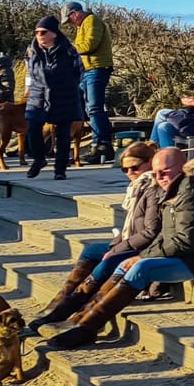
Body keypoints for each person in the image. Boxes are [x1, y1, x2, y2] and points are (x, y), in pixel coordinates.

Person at [47, 148, 194, 349]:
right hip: (187, 254)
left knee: (140, 268)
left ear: (183, 166)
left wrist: (143, 256)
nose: (159, 177)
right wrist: (139, 256)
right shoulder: (177, 187)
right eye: (155, 172)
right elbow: (166, 235)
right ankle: (80, 319)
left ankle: (87, 328)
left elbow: (186, 241)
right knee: (126, 264)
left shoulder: (193, 191)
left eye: (165, 170)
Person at [27, 142, 163, 333]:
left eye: (135, 167)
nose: (130, 173)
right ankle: (59, 303)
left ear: (150, 163)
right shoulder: (136, 187)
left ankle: (79, 314)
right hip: (129, 242)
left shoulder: (154, 187)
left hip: (147, 247)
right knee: (91, 251)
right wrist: (116, 245)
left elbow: (150, 232)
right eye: (125, 169)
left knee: (107, 263)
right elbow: (130, 228)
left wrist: (116, 249)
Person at [25, 14, 87, 180]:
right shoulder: (31, 51)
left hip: (64, 94)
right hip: (38, 93)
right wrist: (29, 89)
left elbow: (79, 71)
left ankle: (60, 169)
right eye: (37, 32)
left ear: (54, 33)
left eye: (43, 32)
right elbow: (29, 72)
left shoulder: (69, 50)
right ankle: (38, 159)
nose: (39, 35)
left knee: (63, 133)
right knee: (32, 127)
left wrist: (66, 85)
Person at [64, 1, 115, 165]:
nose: (70, 23)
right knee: (86, 107)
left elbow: (89, 45)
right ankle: (97, 144)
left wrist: (68, 48)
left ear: (75, 13)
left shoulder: (92, 21)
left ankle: (102, 145)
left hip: (96, 69)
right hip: (87, 70)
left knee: (94, 107)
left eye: (69, 19)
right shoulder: (82, 25)